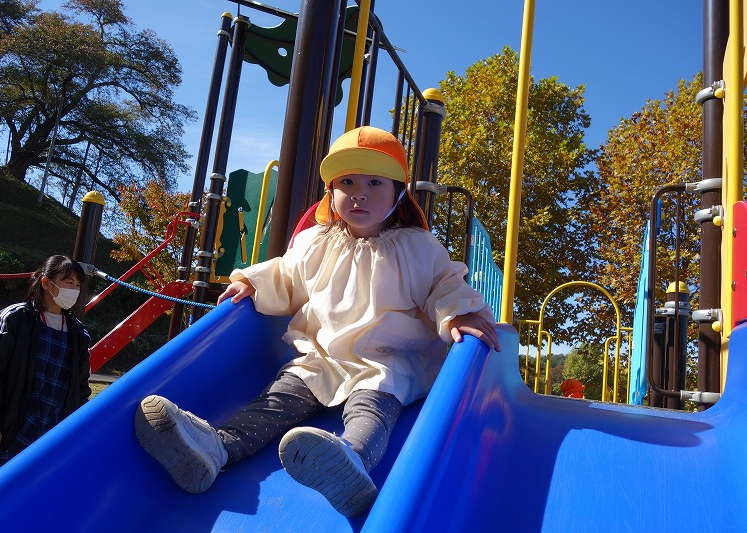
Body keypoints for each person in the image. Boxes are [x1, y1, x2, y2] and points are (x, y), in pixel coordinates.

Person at [134, 126, 500, 517]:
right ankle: (217, 448)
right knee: (275, 401)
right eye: (347, 182)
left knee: (371, 408)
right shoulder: (316, 242)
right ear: (331, 191)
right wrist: (252, 283)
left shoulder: (418, 246)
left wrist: (460, 311)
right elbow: (285, 275)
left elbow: (444, 285)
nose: (359, 193)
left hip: (386, 360)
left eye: (375, 182)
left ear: (398, 192)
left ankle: (351, 460)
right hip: (320, 357)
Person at [0, 255, 91, 490]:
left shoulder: (78, 334)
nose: (74, 290)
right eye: (68, 282)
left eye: (77, 285)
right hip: (6, 434)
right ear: (45, 283)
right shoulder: (14, 318)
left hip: (49, 441)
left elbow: (81, 390)